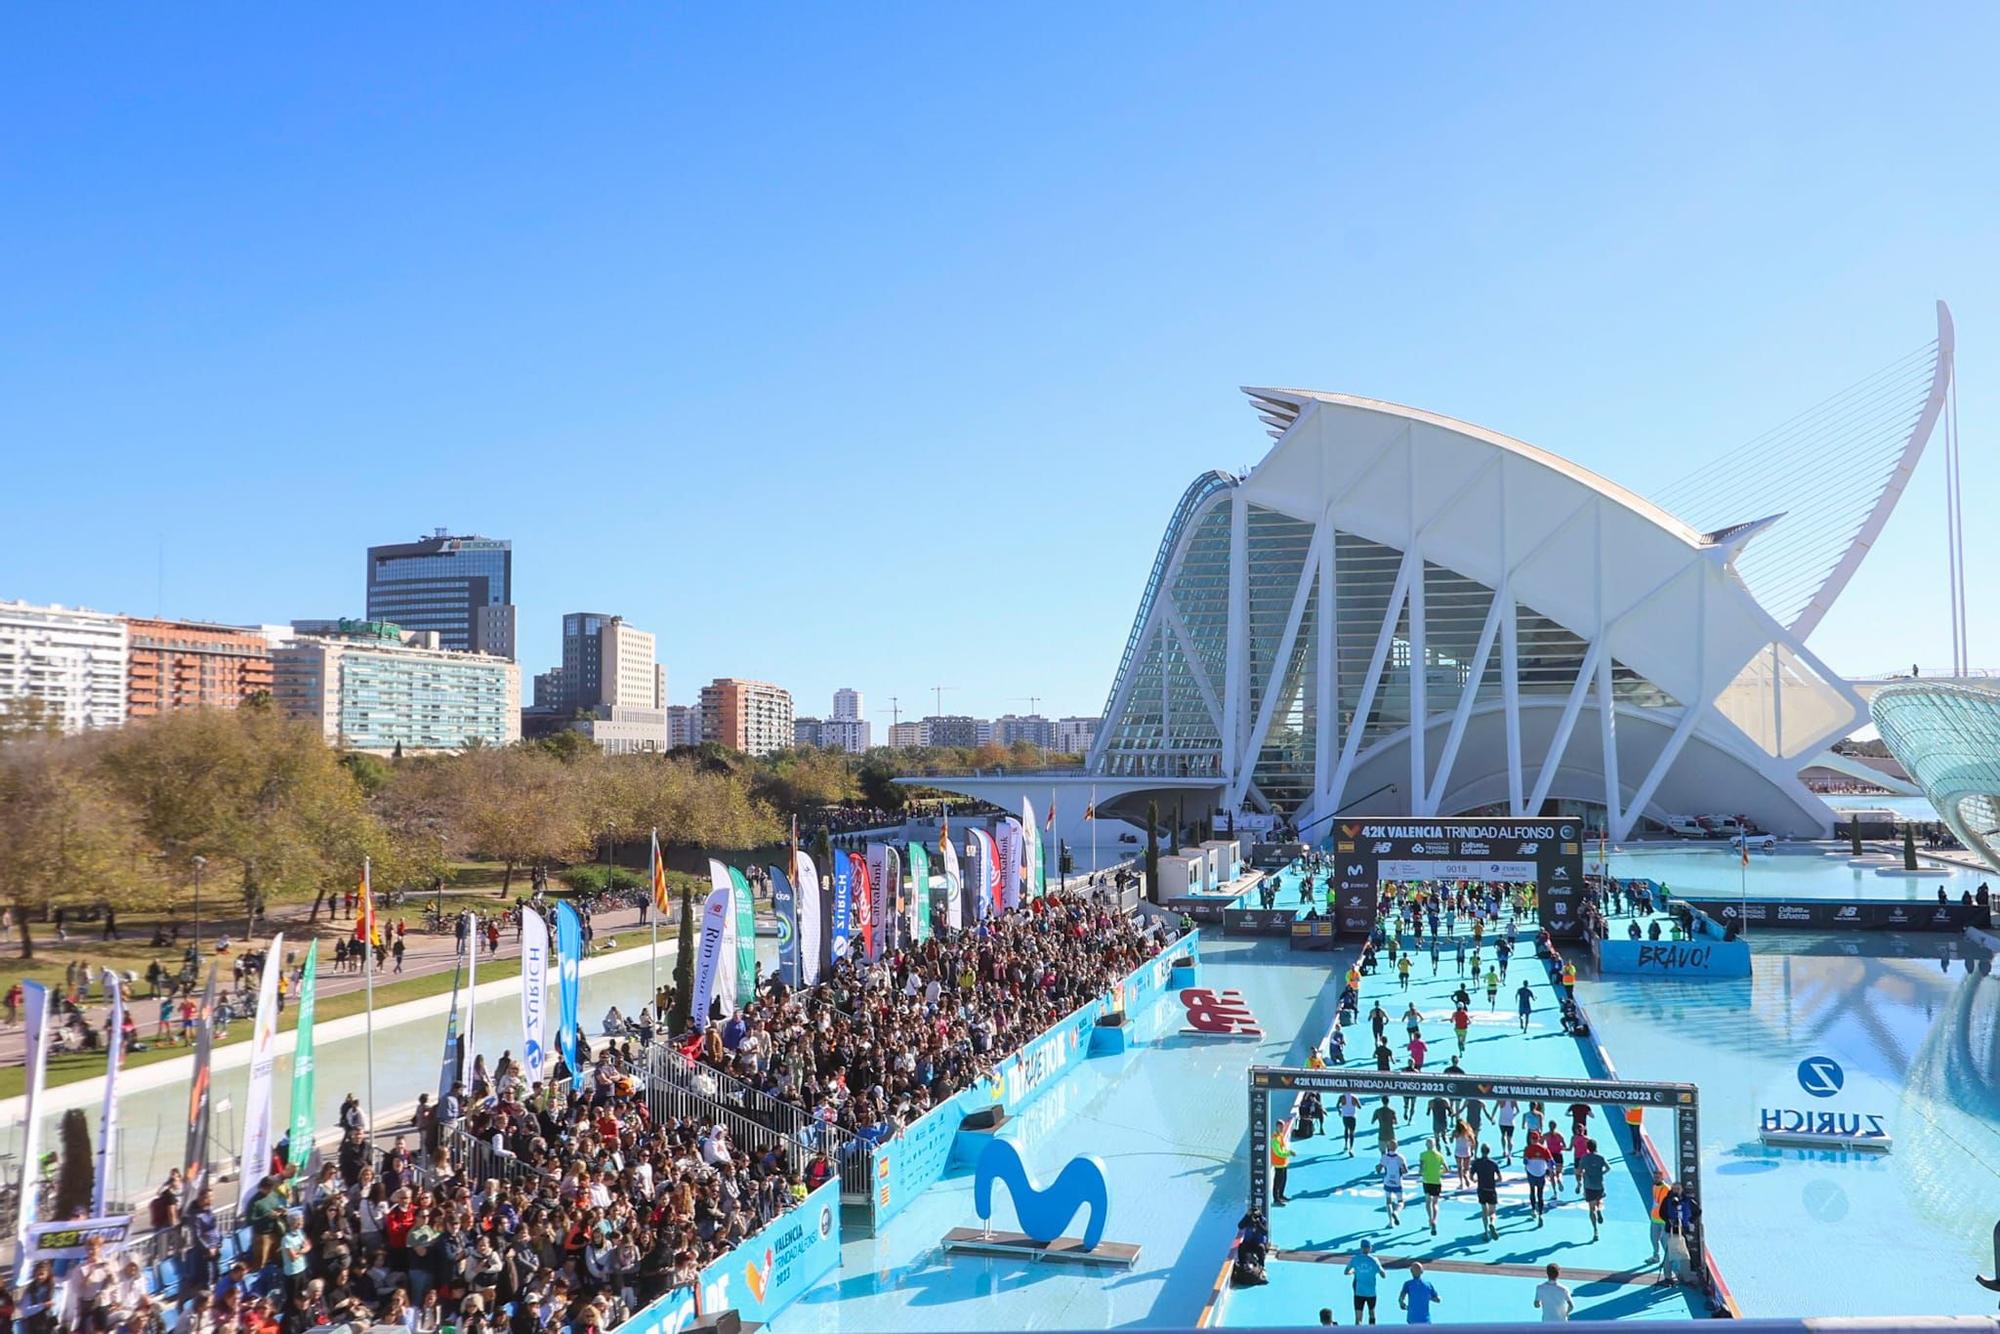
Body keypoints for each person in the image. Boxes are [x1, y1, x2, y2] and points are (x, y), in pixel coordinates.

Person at [1575, 1137, 1609, 1241]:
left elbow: (1579, 1171)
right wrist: (1600, 1173)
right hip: (1599, 1185)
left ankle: (1595, 1231)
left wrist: (1581, 1178)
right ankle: (1599, 1209)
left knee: (1591, 1209)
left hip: (1589, 1186)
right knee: (1599, 1200)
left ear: (1588, 1148)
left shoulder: (1584, 1158)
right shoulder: (1600, 1157)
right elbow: (1608, 1168)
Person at [1344, 1239, 1385, 1324]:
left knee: (1358, 1319)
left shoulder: (1355, 1259)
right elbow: (1383, 1275)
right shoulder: (1374, 1260)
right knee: (1372, 1314)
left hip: (1359, 1292)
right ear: (1370, 1248)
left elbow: (1346, 1272)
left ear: (1361, 1248)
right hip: (1371, 1293)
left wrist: (1353, 1272)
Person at [1470, 1142, 1502, 1239]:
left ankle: (1485, 1232)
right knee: (1492, 1211)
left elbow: (1471, 1177)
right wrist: (1494, 1181)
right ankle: (1492, 1223)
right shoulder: (1493, 1163)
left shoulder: (1476, 1163)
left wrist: (1475, 1180)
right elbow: (1500, 1178)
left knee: (1484, 1211)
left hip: (1481, 1189)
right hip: (1491, 1189)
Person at [1417, 1137, 1447, 1235]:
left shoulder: (1423, 1155)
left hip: (1427, 1180)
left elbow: (1421, 1170)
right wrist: (1439, 1172)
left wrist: (1422, 1173)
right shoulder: (1440, 1156)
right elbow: (1447, 1169)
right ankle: (1435, 1220)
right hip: (1437, 1181)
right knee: (1435, 1203)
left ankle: (1430, 1219)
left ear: (1426, 1145)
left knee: (1427, 1201)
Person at [1377, 1139, 1409, 1225]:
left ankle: (1390, 1222)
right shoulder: (1400, 1157)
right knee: (1400, 1202)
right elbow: (1405, 1171)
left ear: (1388, 1147)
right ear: (1397, 1147)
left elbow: (1379, 1170)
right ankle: (1396, 1212)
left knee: (1388, 1201)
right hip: (1397, 1182)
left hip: (1387, 1181)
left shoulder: (1385, 1157)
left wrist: (1378, 1167)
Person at [1271, 1116, 1295, 1207]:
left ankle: (1281, 1195)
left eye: (1283, 1127)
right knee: (1277, 1181)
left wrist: (1287, 1154)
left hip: (1283, 1163)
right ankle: (1276, 1199)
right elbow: (1278, 1152)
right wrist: (1289, 1153)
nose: (1282, 1128)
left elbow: (1283, 1148)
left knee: (1283, 1180)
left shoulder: (1280, 1136)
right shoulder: (1275, 1138)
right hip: (1278, 1163)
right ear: (1276, 1127)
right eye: (1280, 1127)